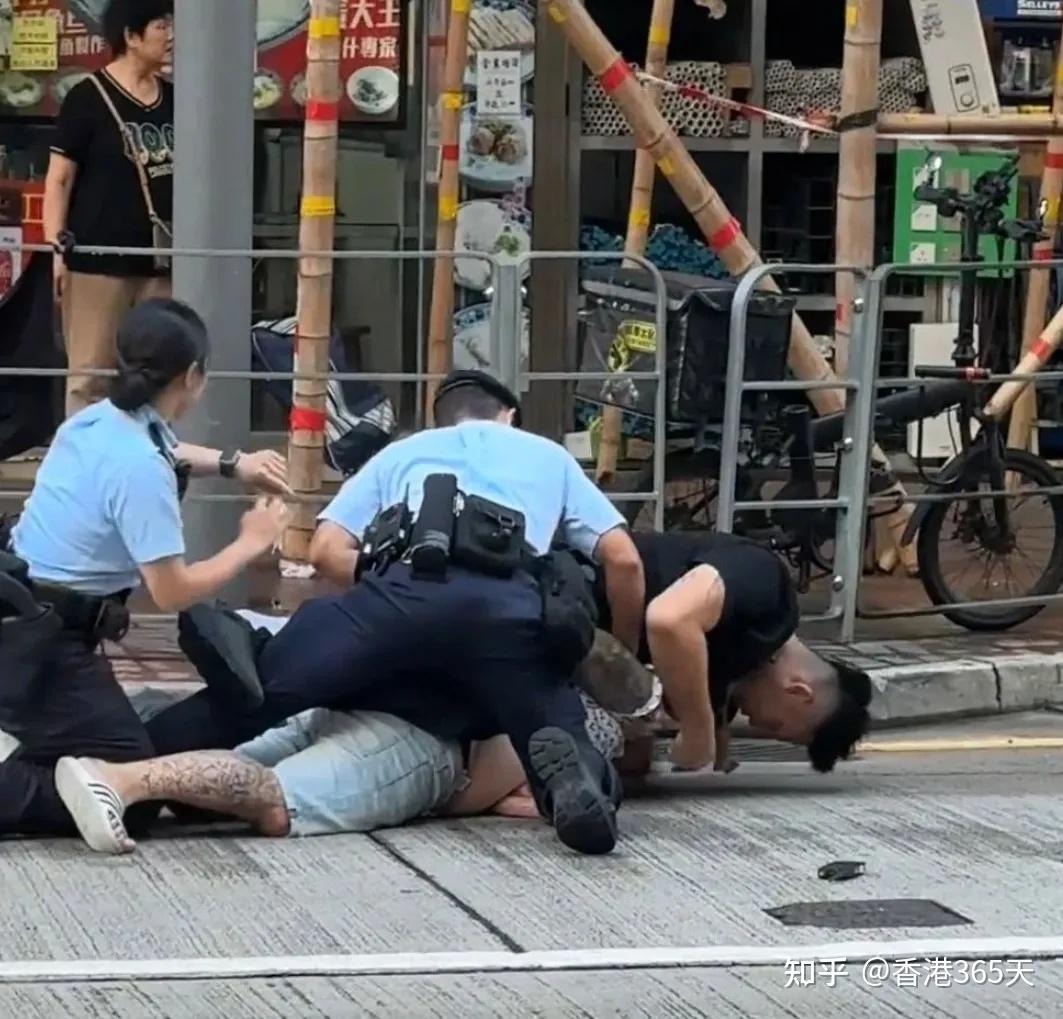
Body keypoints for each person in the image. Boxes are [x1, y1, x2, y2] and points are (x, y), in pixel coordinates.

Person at [141, 369, 646, 857]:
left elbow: (324, 553)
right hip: (510, 606)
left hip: (405, 589)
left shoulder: (403, 452)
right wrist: (621, 650)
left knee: (261, 691)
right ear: (509, 415)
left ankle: (141, 748)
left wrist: (388, 589)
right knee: (556, 724)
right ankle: (579, 790)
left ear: (441, 421)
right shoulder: (548, 455)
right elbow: (623, 559)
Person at [0, 298, 291, 843]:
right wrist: (250, 543)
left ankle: (19, 735)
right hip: (47, 645)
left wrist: (234, 464)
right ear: (192, 377)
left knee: (111, 747)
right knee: (130, 791)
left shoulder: (94, 421)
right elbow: (170, 591)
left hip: (22, 615)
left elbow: (171, 448)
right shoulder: (140, 469)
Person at [50, 614, 655, 853]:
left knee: (236, 756)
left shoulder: (507, 641)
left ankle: (81, 767)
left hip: (353, 698)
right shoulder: (583, 729)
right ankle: (117, 779)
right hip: (425, 750)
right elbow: (535, 800)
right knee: (274, 799)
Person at [590, 529, 873, 775]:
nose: (755, 724)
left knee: (628, 759)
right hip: (569, 590)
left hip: (581, 641)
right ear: (799, 691)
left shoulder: (733, 669)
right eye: (773, 726)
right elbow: (669, 620)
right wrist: (696, 729)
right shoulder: (767, 588)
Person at [44, 0, 175, 416]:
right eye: (161, 25)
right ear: (131, 37)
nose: (171, 36)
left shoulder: (177, 99)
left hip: (163, 262)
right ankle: (85, 469)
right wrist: (56, 248)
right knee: (90, 376)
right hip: (97, 262)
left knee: (158, 371)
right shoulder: (87, 98)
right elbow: (59, 178)